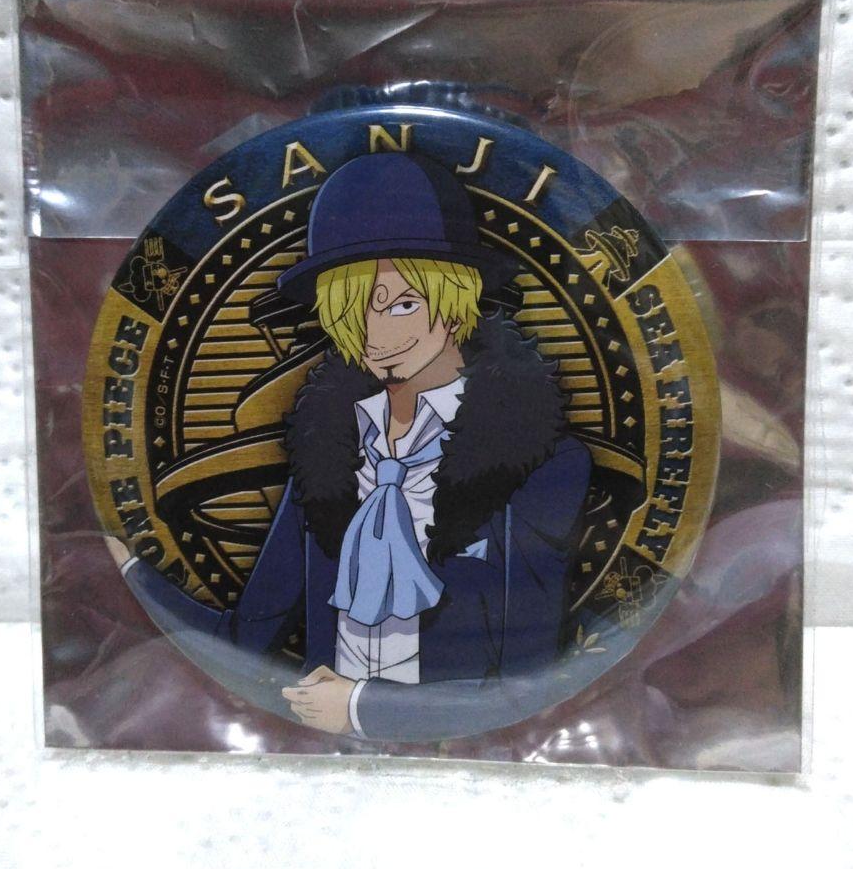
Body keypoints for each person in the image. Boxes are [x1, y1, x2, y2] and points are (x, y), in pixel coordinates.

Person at [119, 151, 594, 741]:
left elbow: (531, 679)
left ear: (457, 304)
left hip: (476, 762)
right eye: (354, 308)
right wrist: (130, 569)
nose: (377, 334)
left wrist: (367, 709)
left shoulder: (541, 466)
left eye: (404, 304)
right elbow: (248, 637)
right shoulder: (329, 459)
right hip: (314, 759)